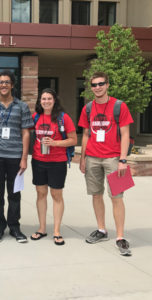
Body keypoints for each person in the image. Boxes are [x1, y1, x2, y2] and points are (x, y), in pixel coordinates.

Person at [78, 71, 133, 256]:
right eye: (94, 85)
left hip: (114, 158)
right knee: (96, 195)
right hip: (92, 157)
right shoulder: (87, 108)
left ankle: (120, 237)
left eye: (101, 84)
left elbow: (125, 134)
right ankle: (101, 230)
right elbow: (85, 134)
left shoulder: (119, 106)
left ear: (107, 85)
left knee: (117, 197)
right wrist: (83, 158)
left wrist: (123, 160)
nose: (97, 87)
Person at [0, 70, 33, 243]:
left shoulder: (22, 106)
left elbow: (26, 133)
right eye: (1, 82)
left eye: (7, 82)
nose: (4, 85)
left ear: (12, 85)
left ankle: (14, 226)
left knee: (14, 193)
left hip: (15, 157)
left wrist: (24, 158)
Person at [30, 88, 77, 246]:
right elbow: (24, 131)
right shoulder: (36, 117)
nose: (46, 101)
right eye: (43, 99)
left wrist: (55, 143)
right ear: (40, 101)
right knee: (41, 194)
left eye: (49, 99)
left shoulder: (63, 118)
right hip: (38, 160)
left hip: (57, 161)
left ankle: (56, 231)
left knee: (56, 195)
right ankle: (42, 228)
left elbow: (73, 140)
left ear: (54, 100)